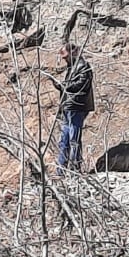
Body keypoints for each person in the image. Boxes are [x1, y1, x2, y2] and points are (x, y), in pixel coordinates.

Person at [45, 42, 95, 173]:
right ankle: (61, 170)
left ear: (74, 52)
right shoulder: (72, 66)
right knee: (65, 140)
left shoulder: (83, 66)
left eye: (66, 56)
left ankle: (75, 168)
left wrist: (63, 86)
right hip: (69, 107)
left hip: (77, 107)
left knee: (74, 139)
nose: (65, 59)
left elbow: (81, 86)